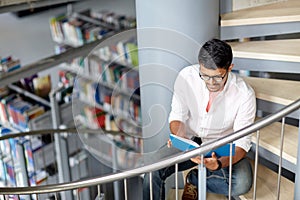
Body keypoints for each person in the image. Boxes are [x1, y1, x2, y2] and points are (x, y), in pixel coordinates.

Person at [143, 38, 256, 200]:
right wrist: (179, 137)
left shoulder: (244, 94)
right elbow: (177, 116)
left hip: (220, 145)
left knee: (242, 182)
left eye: (217, 77)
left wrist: (218, 164)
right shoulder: (186, 77)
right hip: (190, 140)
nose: (211, 83)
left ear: (230, 68)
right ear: (199, 65)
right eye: (205, 75)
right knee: (153, 168)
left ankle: (194, 179)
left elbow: (242, 145)